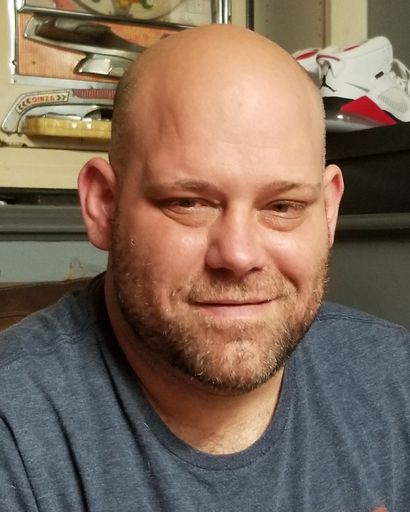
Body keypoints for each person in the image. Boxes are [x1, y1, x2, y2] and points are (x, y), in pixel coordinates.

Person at [0, 24, 409, 512]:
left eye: (282, 207)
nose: (238, 255)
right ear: (105, 206)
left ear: (328, 212)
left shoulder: (397, 381)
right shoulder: (16, 430)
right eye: (189, 202)